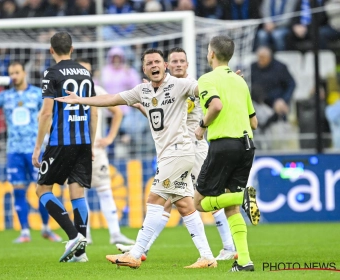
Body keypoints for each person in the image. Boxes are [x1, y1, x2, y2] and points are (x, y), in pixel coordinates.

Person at [56, 48, 217, 269]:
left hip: (179, 151)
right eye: (149, 63)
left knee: (154, 200)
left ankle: (135, 253)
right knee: (185, 205)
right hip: (169, 154)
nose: (154, 66)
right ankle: (207, 257)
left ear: (165, 65)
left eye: (157, 62)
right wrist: (81, 99)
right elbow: (111, 99)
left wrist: (226, 84)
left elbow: (205, 90)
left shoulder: (180, 85)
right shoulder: (142, 91)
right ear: (144, 68)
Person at [116, 47, 237, 261]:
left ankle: (228, 245)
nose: (179, 64)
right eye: (174, 61)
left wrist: (226, 86)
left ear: (187, 64)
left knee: (204, 195)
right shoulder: (162, 87)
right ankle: (142, 249)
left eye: (182, 60)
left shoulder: (189, 86)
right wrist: (143, 105)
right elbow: (160, 120)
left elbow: (210, 104)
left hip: (195, 148)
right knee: (174, 201)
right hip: (174, 150)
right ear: (167, 65)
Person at [193, 35, 260, 272]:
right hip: (247, 145)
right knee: (230, 207)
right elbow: (255, 123)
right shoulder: (240, 82)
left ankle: (241, 198)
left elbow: (216, 105)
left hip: (224, 145)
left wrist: (201, 126)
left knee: (199, 203)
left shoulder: (207, 79)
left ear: (211, 53)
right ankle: (244, 261)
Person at [0, 61, 61, 244]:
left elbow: (49, 114)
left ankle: (46, 228)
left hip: (35, 150)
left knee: (43, 190)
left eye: (17, 72)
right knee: (19, 191)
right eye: (11, 73)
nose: (14, 76)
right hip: (13, 151)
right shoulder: (5, 96)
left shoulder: (38, 94)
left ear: (24, 73)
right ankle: (24, 232)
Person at [32, 32, 98, 263]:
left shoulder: (51, 73)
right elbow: (94, 108)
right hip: (83, 140)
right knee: (77, 192)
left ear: (51, 50)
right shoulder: (85, 73)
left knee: (42, 189)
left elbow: (47, 112)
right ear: (72, 48)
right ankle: (80, 253)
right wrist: (92, 141)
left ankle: (73, 237)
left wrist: (38, 147)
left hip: (61, 141)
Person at [75, 58, 135, 246]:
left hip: (96, 151)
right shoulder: (68, 94)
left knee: (105, 191)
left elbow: (117, 112)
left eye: (89, 71)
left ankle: (115, 233)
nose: (86, 74)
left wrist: (109, 138)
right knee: (78, 193)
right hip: (75, 152)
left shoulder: (97, 91)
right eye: (82, 70)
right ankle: (84, 235)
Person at [251, 46, 295, 131]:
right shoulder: (253, 67)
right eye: (259, 58)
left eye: (263, 58)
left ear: (269, 57)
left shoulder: (280, 67)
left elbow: (291, 84)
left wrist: (284, 100)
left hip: (277, 101)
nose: (260, 60)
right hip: (258, 102)